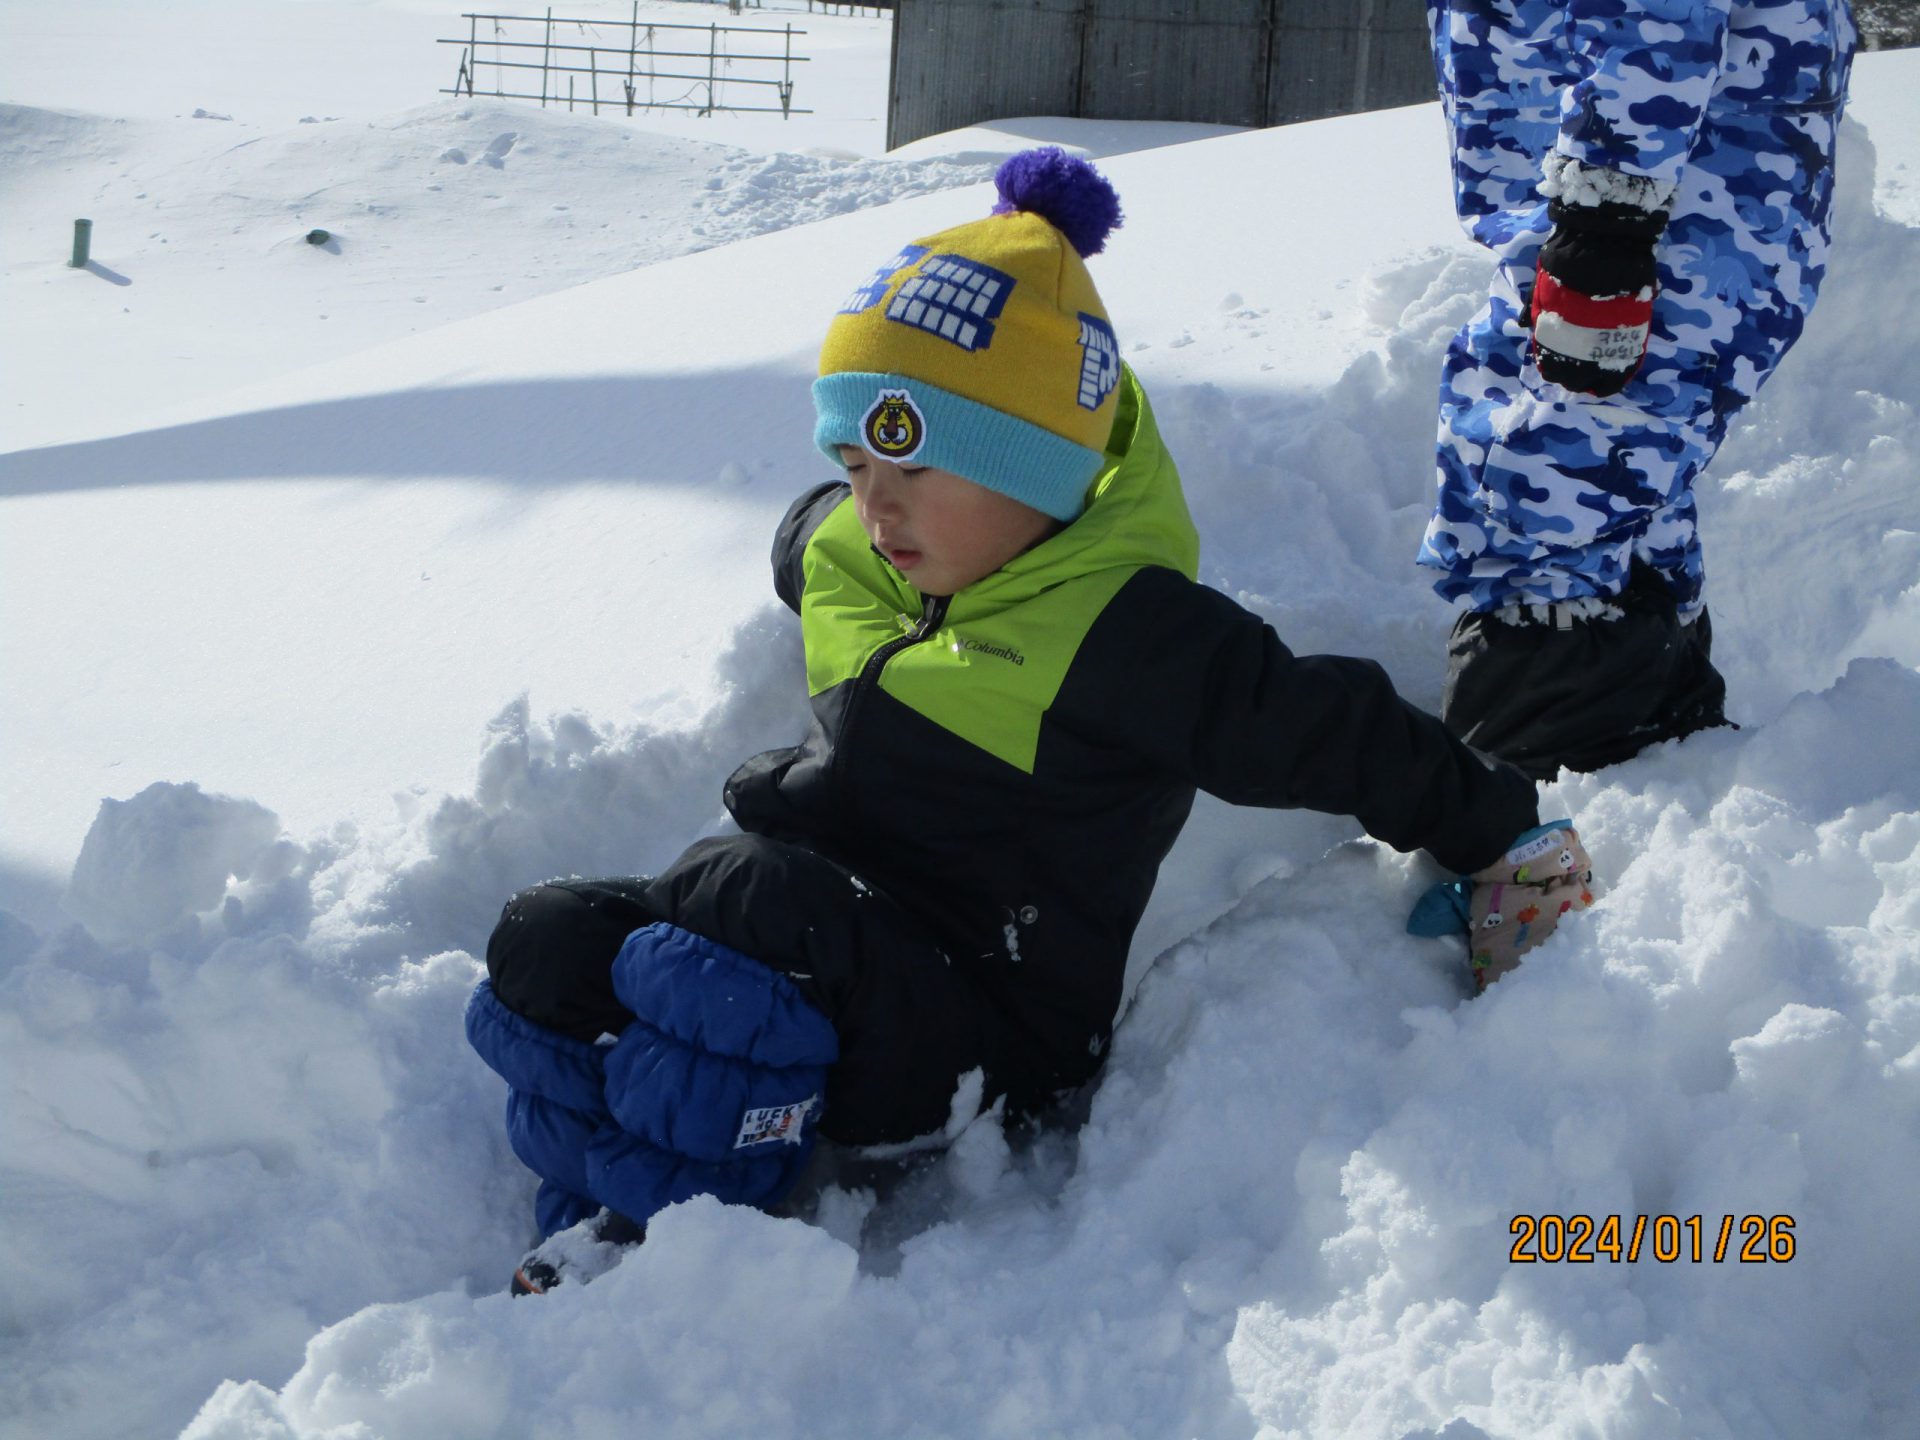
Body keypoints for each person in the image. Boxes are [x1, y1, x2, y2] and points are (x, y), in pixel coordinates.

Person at [465, 150, 1590, 1294]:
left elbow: (1333, 728)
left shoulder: (1129, 638)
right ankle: (602, 1177)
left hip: (976, 1027)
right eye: (852, 464)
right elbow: (805, 538)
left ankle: (660, 1240)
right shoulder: (860, 548)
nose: (875, 507)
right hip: (809, 943)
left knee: (744, 898)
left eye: (913, 469)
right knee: (548, 939)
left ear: (1038, 473)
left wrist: (1501, 833)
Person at [1418, 0, 1858, 776]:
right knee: (1619, 482)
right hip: (1627, 183)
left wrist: (1608, 214)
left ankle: (1523, 809)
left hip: (1669, 194)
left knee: (1549, 485)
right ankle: (1652, 767)